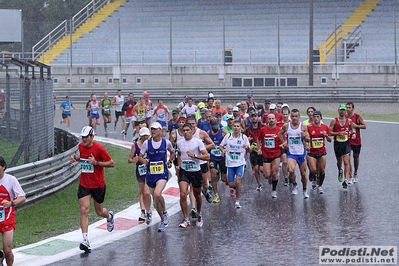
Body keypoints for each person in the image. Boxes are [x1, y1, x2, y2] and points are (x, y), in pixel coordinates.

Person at [70, 126, 115, 253]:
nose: (84, 139)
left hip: (98, 185)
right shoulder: (80, 147)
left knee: (99, 212)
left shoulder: (99, 148)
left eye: (86, 137)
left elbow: (111, 163)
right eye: (82, 137)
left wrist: (96, 163)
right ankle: (85, 240)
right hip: (84, 184)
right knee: (84, 210)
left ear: (92, 137)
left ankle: (109, 216)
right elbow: (81, 158)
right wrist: (75, 159)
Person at [138, 122, 175, 232]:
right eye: (152, 129)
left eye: (155, 129)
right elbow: (140, 157)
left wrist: (170, 161)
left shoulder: (166, 143)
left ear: (160, 130)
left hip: (162, 174)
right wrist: (144, 160)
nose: (153, 131)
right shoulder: (147, 144)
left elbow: (172, 152)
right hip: (150, 175)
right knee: (155, 201)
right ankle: (162, 220)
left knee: (157, 193)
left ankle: (164, 211)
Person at [176, 123, 209, 228]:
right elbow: (180, 154)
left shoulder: (198, 142)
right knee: (182, 194)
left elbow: (207, 156)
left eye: (187, 130)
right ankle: (186, 219)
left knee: (197, 195)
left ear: (192, 131)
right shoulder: (179, 143)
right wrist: (178, 164)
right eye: (184, 130)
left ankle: (199, 214)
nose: (185, 132)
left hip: (195, 171)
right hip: (184, 171)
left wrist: (195, 156)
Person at [0, 157, 26, 266]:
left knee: (7, 250)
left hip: (7, 217)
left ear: (3, 167)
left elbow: (22, 197)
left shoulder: (11, 180)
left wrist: (11, 203)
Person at [278, 109, 310, 199]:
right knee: (291, 170)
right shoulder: (286, 126)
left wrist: (304, 136)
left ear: (299, 117)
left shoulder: (303, 126)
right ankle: (295, 184)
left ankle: (304, 189)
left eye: (296, 116)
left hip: (301, 153)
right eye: (293, 116)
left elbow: (308, 139)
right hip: (291, 153)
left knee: (303, 174)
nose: (294, 118)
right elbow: (280, 134)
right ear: (290, 117)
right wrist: (284, 142)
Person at [219, 120, 251, 208]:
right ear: (232, 127)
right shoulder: (228, 136)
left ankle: (237, 201)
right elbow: (220, 146)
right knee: (230, 184)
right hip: (230, 163)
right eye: (235, 126)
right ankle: (237, 188)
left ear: (240, 128)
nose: (236, 128)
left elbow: (250, 149)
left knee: (238, 181)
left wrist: (247, 147)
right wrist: (223, 150)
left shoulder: (244, 137)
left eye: (238, 126)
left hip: (240, 163)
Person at [128, 127, 152, 224]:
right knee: (142, 192)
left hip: (149, 170)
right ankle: (143, 211)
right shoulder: (135, 146)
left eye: (147, 135)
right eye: (144, 135)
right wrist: (135, 160)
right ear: (140, 136)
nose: (145, 137)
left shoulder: (151, 144)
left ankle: (148, 211)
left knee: (146, 192)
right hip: (140, 170)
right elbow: (129, 159)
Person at [329, 104, 356, 189]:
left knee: (346, 162)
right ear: (338, 110)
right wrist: (338, 133)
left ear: (346, 111)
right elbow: (329, 132)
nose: (342, 111)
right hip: (337, 143)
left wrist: (354, 134)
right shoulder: (334, 121)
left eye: (344, 110)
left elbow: (352, 129)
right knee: (339, 162)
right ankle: (340, 170)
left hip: (346, 143)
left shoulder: (349, 121)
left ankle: (346, 180)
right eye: (341, 110)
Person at [307, 111, 332, 194]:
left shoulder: (325, 127)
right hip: (312, 152)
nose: (316, 118)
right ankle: (313, 178)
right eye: (315, 117)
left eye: (318, 116)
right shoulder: (309, 127)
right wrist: (306, 145)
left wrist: (326, 135)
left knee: (322, 170)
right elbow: (304, 138)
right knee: (313, 169)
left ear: (321, 118)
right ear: (312, 118)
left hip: (322, 152)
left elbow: (330, 140)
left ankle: (320, 185)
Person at [258, 113, 282, 198]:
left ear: (275, 120)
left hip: (276, 154)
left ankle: (274, 190)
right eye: (269, 119)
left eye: (273, 118)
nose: (271, 120)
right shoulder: (263, 129)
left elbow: (284, 140)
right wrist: (259, 149)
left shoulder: (279, 130)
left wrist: (283, 145)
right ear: (267, 120)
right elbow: (259, 139)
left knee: (274, 173)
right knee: (267, 175)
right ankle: (271, 178)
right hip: (266, 154)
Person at [208, 117, 228, 203]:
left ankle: (232, 184)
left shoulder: (223, 131)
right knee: (213, 174)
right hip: (213, 157)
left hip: (222, 157)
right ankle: (216, 195)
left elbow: (230, 140)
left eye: (217, 126)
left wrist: (225, 149)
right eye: (214, 127)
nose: (216, 128)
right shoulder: (208, 133)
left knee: (224, 179)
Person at [346, 102, 366, 183]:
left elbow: (364, 126)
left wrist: (356, 126)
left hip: (357, 140)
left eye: (349, 107)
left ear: (353, 108)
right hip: (347, 140)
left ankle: (355, 172)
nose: (347, 109)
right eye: (347, 107)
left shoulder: (357, 116)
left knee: (356, 157)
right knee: (348, 158)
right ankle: (350, 175)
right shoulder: (345, 117)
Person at [246, 112, 263, 191]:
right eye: (252, 117)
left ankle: (269, 176)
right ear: (250, 119)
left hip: (263, 150)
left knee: (263, 169)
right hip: (253, 151)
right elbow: (245, 140)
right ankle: (259, 184)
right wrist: (247, 141)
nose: (254, 118)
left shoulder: (262, 127)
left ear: (258, 118)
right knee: (256, 169)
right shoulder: (248, 129)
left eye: (255, 116)